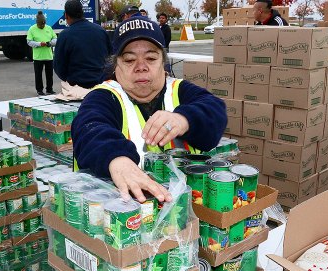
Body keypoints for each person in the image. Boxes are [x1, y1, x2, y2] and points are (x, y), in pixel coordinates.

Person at [72, 16, 227, 203]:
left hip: (188, 210)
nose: (141, 67)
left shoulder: (179, 90)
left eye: (151, 58)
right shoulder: (104, 96)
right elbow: (89, 126)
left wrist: (184, 119)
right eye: (129, 60)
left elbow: (215, 109)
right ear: (116, 66)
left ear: (163, 63)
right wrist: (116, 159)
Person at [54, 0, 112, 89]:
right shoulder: (100, 31)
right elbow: (111, 57)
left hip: (76, 88)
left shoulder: (64, 35)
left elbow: (58, 66)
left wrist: (69, 79)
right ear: (82, 12)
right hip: (101, 86)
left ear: (66, 15)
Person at [27, 11, 57, 95]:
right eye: (40, 25)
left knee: (49, 74)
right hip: (38, 57)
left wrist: (50, 43)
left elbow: (55, 39)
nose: (42, 26)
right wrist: (39, 44)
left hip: (49, 56)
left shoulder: (49, 28)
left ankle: (49, 89)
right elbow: (29, 42)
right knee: (38, 75)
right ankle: (39, 90)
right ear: (37, 22)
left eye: (43, 24)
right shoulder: (32, 29)